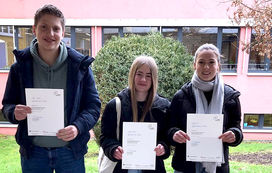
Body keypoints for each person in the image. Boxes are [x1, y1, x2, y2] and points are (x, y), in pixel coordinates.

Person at [1, 4, 101, 173]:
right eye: (44, 27)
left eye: (56, 28)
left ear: (63, 32)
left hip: (69, 152)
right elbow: (8, 106)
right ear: (34, 29)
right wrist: (13, 112)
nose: (50, 34)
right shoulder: (20, 67)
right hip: (34, 153)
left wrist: (77, 127)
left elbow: (93, 107)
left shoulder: (79, 67)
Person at [168, 43, 243, 173]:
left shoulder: (230, 97)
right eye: (201, 62)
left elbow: (236, 127)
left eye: (211, 62)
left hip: (217, 166)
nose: (206, 67)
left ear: (218, 66)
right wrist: (174, 134)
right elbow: (169, 126)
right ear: (194, 65)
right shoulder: (180, 96)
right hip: (185, 166)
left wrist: (234, 134)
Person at [100, 55, 170, 173]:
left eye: (148, 76)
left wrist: (163, 148)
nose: (143, 79)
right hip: (121, 168)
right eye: (139, 74)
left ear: (154, 78)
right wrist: (113, 149)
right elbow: (105, 137)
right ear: (132, 74)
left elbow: (166, 137)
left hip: (153, 168)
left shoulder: (163, 107)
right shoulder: (115, 105)